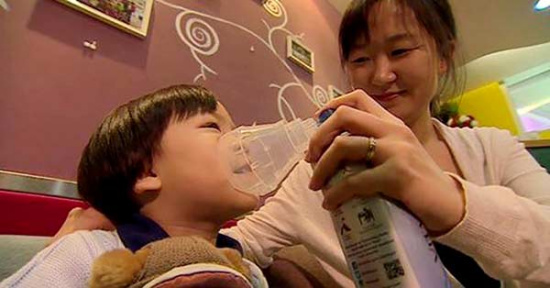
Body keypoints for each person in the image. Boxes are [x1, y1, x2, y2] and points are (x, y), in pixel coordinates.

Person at [40, 0, 550, 287]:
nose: (381, 74)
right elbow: (222, 244)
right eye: (359, 59)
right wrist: (112, 220)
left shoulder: (494, 150)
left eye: (400, 50)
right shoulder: (315, 171)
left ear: (443, 57)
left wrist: (448, 202)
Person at [0, 84, 267, 287]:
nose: (240, 142)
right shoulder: (88, 252)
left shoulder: (247, 271)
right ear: (147, 171)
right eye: (212, 126)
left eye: (236, 130)